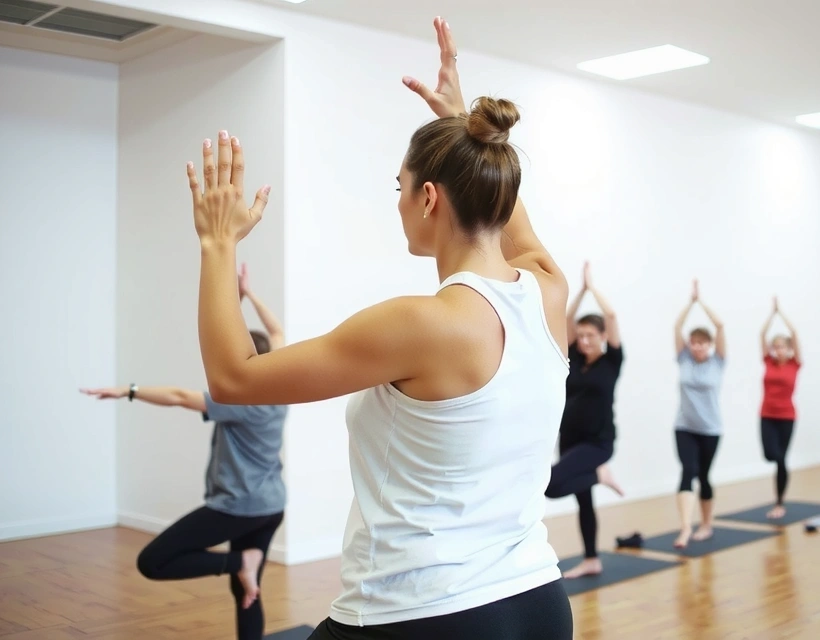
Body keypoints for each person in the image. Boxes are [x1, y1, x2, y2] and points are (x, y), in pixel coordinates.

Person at [182, 16, 574, 640]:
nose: (397, 201)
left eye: (401, 187)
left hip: (420, 615)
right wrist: (463, 129)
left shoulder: (421, 324)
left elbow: (234, 379)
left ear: (428, 198)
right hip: (538, 603)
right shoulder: (549, 294)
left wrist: (216, 242)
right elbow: (512, 225)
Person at [79, 263, 286, 640]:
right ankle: (244, 566)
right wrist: (247, 296)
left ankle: (241, 561)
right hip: (271, 506)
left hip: (238, 505)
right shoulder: (282, 389)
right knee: (246, 590)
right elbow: (277, 332)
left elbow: (177, 396)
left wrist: (127, 390)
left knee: (153, 561)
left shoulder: (239, 401)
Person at [545, 261, 625, 579]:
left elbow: (612, 316)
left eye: (591, 335)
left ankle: (599, 474)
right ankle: (592, 559)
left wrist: (593, 289)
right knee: (584, 502)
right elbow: (566, 319)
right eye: (581, 336)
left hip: (598, 442)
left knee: (550, 485)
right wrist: (579, 293)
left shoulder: (612, 361)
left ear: (603, 336)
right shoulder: (575, 358)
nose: (584, 340)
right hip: (570, 438)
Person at [671, 279, 726, 548]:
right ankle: (685, 528)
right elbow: (677, 327)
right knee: (688, 471)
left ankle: (706, 524)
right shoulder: (684, 359)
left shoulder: (718, 362)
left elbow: (720, 326)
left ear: (710, 345)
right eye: (693, 343)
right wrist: (689, 303)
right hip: (684, 427)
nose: (697, 347)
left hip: (711, 429)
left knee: (704, 476)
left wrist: (701, 302)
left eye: (702, 343)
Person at [758, 296, 802, 520]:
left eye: (782, 346)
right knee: (769, 454)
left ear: (789, 349)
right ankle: (779, 499)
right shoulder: (768, 362)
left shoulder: (795, 364)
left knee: (782, 459)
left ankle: (779, 503)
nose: (778, 350)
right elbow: (762, 335)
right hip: (767, 414)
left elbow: (794, 333)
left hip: (787, 416)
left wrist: (782, 314)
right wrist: (771, 315)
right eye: (775, 347)